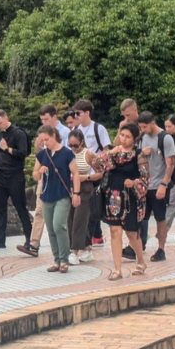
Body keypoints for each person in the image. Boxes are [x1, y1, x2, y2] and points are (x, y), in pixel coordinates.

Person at [19, 105, 70, 257]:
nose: (44, 122)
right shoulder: (41, 134)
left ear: (54, 117)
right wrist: (37, 145)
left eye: (46, 119)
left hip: (60, 178)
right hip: (45, 177)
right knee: (39, 210)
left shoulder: (65, 132)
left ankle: (66, 247)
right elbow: (40, 156)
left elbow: (68, 154)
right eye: (41, 119)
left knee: (60, 219)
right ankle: (33, 244)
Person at [101, 123, 149, 279]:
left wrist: (134, 183)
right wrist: (110, 153)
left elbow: (145, 178)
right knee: (114, 231)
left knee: (131, 232)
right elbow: (98, 163)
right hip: (113, 196)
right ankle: (117, 270)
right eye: (122, 135)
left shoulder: (138, 154)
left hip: (129, 198)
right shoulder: (113, 152)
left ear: (134, 139)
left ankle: (140, 261)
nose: (123, 139)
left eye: (127, 136)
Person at [33, 124, 81, 273]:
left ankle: (64, 259)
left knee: (58, 225)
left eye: (46, 139)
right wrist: (39, 172)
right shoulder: (42, 155)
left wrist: (76, 193)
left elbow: (76, 173)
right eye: (42, 140)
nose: (45, 143)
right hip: (46, 195)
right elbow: (35, 175)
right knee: (51, 228)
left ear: (53, 136)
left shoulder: (66, 153)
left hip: (62, 195)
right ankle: (57, 259)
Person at [0, 110, 31, 250]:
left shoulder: (18, 133)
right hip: (1, 175)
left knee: (20, 207)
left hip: (15, 175)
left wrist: (7, 149)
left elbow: (23, 153)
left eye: (0, 123)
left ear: (6, 118)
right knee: (0, 208)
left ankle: (30, 239)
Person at [136, 111, 175, 262]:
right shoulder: (142, 137)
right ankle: (138, 245)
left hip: (158, 183)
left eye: (145, 126)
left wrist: (163, 184)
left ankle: (161, 249)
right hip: (144, 185)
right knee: (141, 217)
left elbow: (170, 163)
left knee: (160, 217)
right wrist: (141, 152)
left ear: (152, 123)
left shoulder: (165, 138)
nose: (143, 129)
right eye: (141, 127)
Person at [73, 99, 111, 248]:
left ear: (87, 113)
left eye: (78, 113)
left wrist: (96, 159)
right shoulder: (76, 129)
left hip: (95, 173)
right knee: (84, 207)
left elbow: (106, 149)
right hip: (80, 172)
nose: (75, 116)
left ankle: (90, 238)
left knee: (93, 205)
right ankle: (94, 236)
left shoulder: (98, 128)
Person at [66, 129, 102, 264]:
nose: (73, 148)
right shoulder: (68, 154)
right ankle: (87, 249)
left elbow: (100, 173)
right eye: (70, 145)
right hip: (70, 188)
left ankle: (74, 251)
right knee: (71, 219)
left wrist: (85, 177)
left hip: (85, 188)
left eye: (75, 145)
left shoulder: (88, 154)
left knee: (79, 219)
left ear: (82, 142)